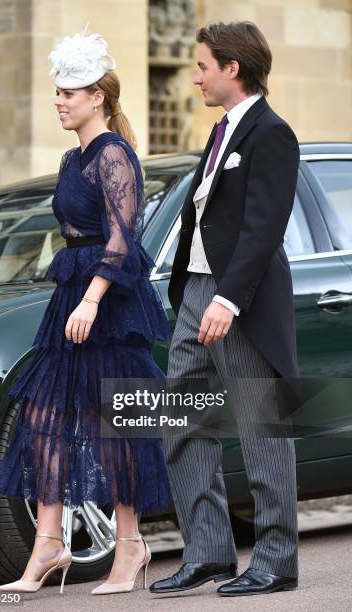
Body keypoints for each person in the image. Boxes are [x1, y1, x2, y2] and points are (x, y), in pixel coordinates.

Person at [0, 28, 172, 596]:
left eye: (70, 92)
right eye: (57, 93)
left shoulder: (114, 154)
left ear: (98, 97)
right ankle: (48, 544)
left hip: (107, 300)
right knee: (45, 417)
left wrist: (92, 299)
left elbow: (123, 238)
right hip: (73, 293)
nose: (59, 101)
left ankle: (132, 543)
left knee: (113, 422)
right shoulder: (74, 158)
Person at [149, 21, 300, 598]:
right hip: (195, 292)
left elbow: (264, 228)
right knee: (182, 421)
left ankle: (276, 561)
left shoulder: (271, 133)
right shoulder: (220, 130)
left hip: (242, 300)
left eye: (202, 66)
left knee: (263, 425)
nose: (195, 77)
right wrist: (193, 290)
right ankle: (208, 553)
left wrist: (228, 299)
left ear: (231, 68)